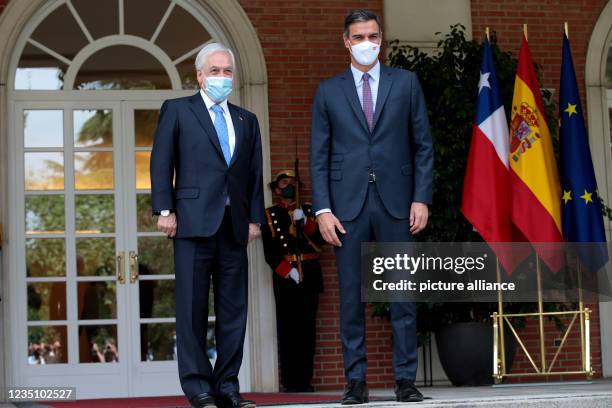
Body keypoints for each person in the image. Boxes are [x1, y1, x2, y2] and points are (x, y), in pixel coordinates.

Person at [309, 9, 434, 405]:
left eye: (374, 36)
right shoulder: (328, 91)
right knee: (351, 297)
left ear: (382, 39)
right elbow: (319, 156)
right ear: (346, 41)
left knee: (402, 295)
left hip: (398, 202)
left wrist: (422, 197)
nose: (368, 43)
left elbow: (423, 145)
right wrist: (322, 210)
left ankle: (405, 381)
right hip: (346, 207)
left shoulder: (407, 83)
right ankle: (355, 382)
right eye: (360, 37)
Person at [150, 42, 264, 408]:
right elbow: (160, 163)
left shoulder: (247, 120)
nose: (221, 77)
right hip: (192, 225)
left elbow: (252, 175)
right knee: (192, 310)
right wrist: (164, 210)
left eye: (227, 71)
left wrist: (254, 219)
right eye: (214, 71)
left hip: (234, 227)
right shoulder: (178, 111)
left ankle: (228, 385)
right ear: (199, 75)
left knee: (234, 312)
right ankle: (198, 386)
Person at [261, 170, 324, 392]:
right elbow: (269, 251)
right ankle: (290, 382)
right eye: (284, 183)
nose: (289, 186)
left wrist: (305, 222)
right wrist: (288, 271)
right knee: (288, 330)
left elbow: (320, 241)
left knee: (307, 330)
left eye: (293, 183)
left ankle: (305, 381)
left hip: (310, 274)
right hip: (286, 277)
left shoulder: (308, 211)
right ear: (276, 189)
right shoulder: (270, 214)